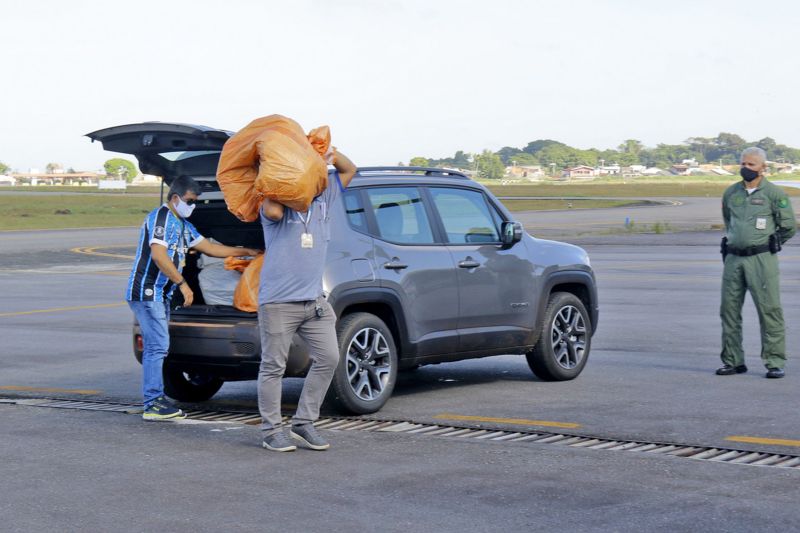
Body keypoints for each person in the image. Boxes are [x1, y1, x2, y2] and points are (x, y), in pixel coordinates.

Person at [126, 175, 260, 420]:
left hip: (161, 295)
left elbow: (210, 249)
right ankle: (153, 403)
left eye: (195, 201)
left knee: (158, 347)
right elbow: (159, 255)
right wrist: (183, 284)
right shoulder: (162, 218)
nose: (192, 206)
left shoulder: (182, 224)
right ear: (176, 198)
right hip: (147, 292)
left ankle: (153, 398)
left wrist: (246, 250)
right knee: (157, 347)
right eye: (189, 200)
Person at [257, 149, 357, 452]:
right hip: (279, 303)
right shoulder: (275, 209)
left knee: (329, 357)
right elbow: (273, 209)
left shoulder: (323, 204)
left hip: (313, 303)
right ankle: (271, 431)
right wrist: (288, 175)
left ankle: (303, 423)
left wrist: (329, 155)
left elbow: (349, 170)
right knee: (273, 366)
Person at [718, 147, 796, 379]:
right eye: (743, 163)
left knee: (769, 310)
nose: (745, 168)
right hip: (733, 258)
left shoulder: (775, 194)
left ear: (763, 168)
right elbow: (728, 222)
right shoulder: (731, 193)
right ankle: (733, 361)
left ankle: (774, 361)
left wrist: (770, 243)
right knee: (729, 311)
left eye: (751, 165)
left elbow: (789, 227)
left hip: (761, 259)